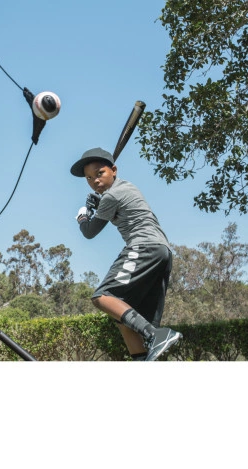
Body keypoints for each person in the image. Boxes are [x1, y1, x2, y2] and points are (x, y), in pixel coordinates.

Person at [70, 147, 181, 361]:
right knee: (122, 315)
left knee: (104, 297)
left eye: (100, 173)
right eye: (89, 178)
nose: (95, 181)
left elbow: (89, 232)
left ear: (114, 170)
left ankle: (156, 335)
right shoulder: (126, 187)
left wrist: (83, 217)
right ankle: (142, 359)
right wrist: (99, 204)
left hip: (144, 246)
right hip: (162, 252)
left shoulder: (112, 195)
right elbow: (117, 208)